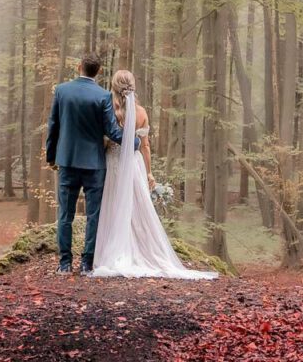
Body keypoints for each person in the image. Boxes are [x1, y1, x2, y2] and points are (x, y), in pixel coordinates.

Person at [90, 69, 217, 280]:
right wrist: (149, 172)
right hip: (133, 163)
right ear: (132, 87)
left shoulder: (106, 110)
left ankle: (112, 250)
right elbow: (145, 146)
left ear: (113, 87)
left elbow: (103, 139)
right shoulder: (140, 112)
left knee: (113, 204)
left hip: (112, 162)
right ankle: (141, 248)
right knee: (136, 206)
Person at [44, 52, 135, 275]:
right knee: (94, 214)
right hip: (95, 164)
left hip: (67, 160)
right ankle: (86, 263)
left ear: (79, 67)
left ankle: (64, 263)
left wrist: (51, 156)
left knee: (65, 214)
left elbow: (53, 125)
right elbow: (112, 131)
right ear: (99, 71)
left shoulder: (62, 91)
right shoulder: (103, 96)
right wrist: (135, 140)